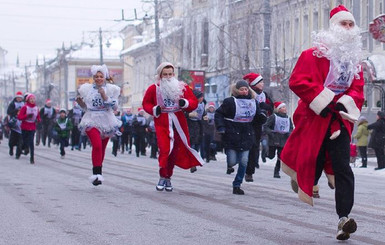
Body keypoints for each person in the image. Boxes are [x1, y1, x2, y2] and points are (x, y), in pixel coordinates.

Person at [280, 5, 364, 240]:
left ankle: (343, 219)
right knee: (312, 159)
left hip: (339, 120)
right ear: (333, 27)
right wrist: (323, 100)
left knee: (343, 168)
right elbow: (298, 81)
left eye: (350, 24)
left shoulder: (354, 61)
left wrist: (345, 103)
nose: (347, 29)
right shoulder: (313, 54)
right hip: (315, 118)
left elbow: (358, 89)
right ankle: (303, 176)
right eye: (343, 24)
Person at [142, 62, 204, 192]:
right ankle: (162, 176)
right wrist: (155, 109)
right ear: (160, 75)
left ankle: (168, 177)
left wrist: (185, 103)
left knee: (174, 151)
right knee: (165, 150)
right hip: (162, 121)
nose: (168, 77)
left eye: (170, 74)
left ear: (174, 74)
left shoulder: (181, 87)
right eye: (165, 74)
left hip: (178, 121)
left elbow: (193, 102)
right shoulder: (154, 88)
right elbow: (146, 103)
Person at [215, 80, 266, 195]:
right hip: (232, 134)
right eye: (242, 89)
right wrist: (221, 127)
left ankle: (237, 184)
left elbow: (258, 116)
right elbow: (219, 114)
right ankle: (230, 165)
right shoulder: (230, 102)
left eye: (246, 89)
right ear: (236, 90)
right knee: (232, 160)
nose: (244, 91)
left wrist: (262, 117)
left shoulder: (253, 102)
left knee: (244, 162)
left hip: (247, 135)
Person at [76, 64, 122, 186]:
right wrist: (81, 103)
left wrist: (104, 96)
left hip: (107, 120)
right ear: (93, 77)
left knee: (101, 148)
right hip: (91, 119)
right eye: (96, 76)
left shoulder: (112, 89)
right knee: (96, 145)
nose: (99, 79)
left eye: (101, 76)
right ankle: (96, 173)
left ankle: (98, 174)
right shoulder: (87, 89)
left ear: (105, 77)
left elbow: (115, 106)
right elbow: (86, 107)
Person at [243, 73, 273, 182]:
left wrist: (265, 108)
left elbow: (271, 108)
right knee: (245, 146)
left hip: (257, 125)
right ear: (254, 83)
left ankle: (249, 172)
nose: (263, 84)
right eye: (260, 82)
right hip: (245, 123)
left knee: (254, 147)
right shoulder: (246, 93)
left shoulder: (264, 95)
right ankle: (238, 164)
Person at [263, 101, 293, 178]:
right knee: (271, 156)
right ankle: (265, 153)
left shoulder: (288, 118)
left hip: (283, 139)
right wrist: (271, 133)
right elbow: (266, 126)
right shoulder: (273, 117)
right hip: (274, 139)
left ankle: (277, 171)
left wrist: (289, 133)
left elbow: (290, 128)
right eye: (282, 107)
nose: (285, 109)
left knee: (280, 156)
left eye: (285, 107)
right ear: (278, 109)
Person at [17, 93, 41, 164]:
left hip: (32, 127)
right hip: (25, 127)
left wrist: (38, 120)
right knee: (24, 142)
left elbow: (38, 117)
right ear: (28, 100)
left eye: (33, 99)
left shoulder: (36, 108)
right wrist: (26, 116)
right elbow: (19, 117)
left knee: (31, 143)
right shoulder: (25, 107)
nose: (32, 100)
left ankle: (32, 158)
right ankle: (19, 151)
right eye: (31, 99)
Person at [187, 89, 205, 173]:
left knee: (197, 144)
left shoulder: (202, 104)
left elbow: (203, 114)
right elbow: (182, 114)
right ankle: (192, 163)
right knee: (192, 144)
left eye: (202, 97)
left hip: (198, 125)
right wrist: (188, 114)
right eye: (200, 97)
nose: (201, 98)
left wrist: (205, 117)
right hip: (190, 125)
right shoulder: (188, 104)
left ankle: (195, 159)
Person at [6, 91, 24, 159]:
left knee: (20, 140)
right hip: (14, 124)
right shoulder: (12, 104)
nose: (19, 99)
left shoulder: (24, 104)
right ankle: (11, 148)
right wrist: (16, 111)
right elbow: (9, 112)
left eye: (20, 98)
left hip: (22, 124)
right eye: (18, 98)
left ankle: (18, 154)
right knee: (12, 140)